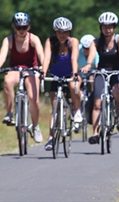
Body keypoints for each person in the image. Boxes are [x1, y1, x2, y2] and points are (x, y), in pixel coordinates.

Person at [0, 12, 44, 143]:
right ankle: (10, 113)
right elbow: (3, 55)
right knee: (7, 81)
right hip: (15, 69)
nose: (21, 30)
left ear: (28, 27)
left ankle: (36, 127)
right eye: (18, 27)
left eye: (24, 27)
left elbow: (42, 54)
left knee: (33, 97)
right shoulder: (8, 40)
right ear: (14, 27)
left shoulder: (33, 39)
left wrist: (43, 67)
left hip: (31, 70)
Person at [82, 11, 119, 144]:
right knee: (97, 103)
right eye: (104, 27)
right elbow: (91, 54)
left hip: (117, 71)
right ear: (100, 28)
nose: (107, 30)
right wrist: (88, 65)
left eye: (110, 27)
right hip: (102, 72)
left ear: (114, 27)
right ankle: (96, 134)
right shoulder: (96, 42)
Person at [42, 17, 82, 150]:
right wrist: (43, 72)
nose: (62, 35)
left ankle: (76, 111)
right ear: (55, 32)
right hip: (55, 76)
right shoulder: (50, 42)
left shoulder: (73, 42)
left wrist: (75, 74)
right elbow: (47, 57)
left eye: (65, 32)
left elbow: (74, 58)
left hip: (70, 74)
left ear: (69, 32)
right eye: (59, 32)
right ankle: (51, 138)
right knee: (54, 110)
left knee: (73, 86)